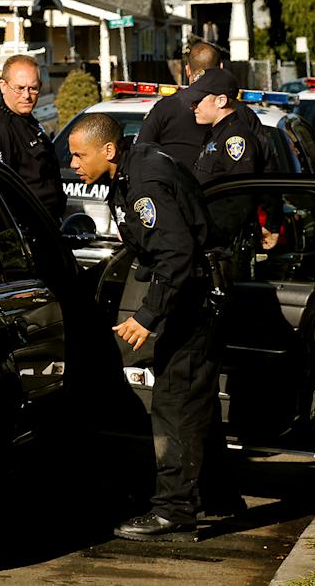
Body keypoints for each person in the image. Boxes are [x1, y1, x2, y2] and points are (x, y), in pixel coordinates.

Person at [67, 113, 216, 542]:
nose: (74, 164)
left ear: (108, 151)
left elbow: (176, 257)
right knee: (194, 405)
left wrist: (147, 316)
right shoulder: (131, 172)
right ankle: (214, 496)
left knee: (175, 406)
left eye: (80, 155)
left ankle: (173, 513)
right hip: (188, 297)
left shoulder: (144, 183)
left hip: (193, 303)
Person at [137, 40, 270, 170]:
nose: (193, 106)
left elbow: (141, 154)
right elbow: (266, 162)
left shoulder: (164, 108)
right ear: (221, 67)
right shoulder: (243, 113)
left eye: (199, 101)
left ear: (187, 70)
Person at [0, 54, 66, 221]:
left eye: (33, 88)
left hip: (49, 225)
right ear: (3, 86)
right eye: (19, 88)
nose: (27, 95)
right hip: (27, 231)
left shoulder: (28, 122)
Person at [177, 67, 268, 184]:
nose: (192, 106)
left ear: (221, 101)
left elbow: (241, 196)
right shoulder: (217, 134)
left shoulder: (235, 139)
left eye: (198, 101)